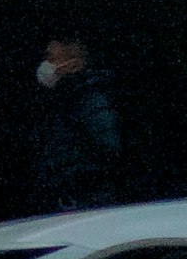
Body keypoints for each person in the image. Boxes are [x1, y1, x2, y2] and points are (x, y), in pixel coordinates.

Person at [18, 31, 128, 217]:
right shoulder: (59, 99)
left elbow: (108, 149)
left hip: (83, 204)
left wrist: (70, 180)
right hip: (63, 201)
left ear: (73, 63)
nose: (45, 65)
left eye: (52, 58)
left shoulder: (89, 99)